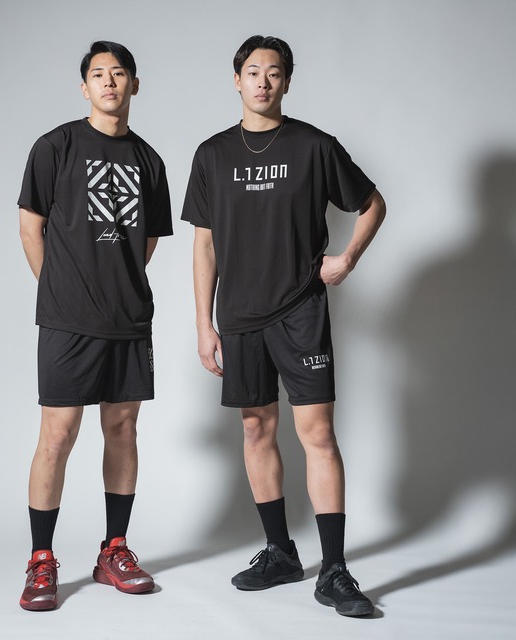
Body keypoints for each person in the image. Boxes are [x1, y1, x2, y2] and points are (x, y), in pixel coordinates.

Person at [181, 35, 385, 617]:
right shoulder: (212, 155)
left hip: (301, 310)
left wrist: (347, 258)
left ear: (287, 82)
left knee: (317, 434)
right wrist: (203, 323)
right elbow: (204, 245)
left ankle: (335, 570)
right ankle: (280, 553)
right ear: (237, 80)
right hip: (239, 317)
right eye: (253, 71)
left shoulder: (314, 146)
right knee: (256, 430)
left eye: (274, 72)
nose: (263, 81)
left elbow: (372, 204)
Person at [17, 41, 172, 611]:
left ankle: (114, 550)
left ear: (135, 84)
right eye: (99, 74)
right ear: (84, 87)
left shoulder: (150, 161)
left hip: (129, 319)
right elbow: (29, 226)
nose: (109, 81)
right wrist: (60, 290)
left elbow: (147, 241)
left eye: (119, 73)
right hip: (67, 321)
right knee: (57, 435)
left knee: (123, 430)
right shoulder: (55, 146)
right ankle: (40, 559)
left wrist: (116, 285)